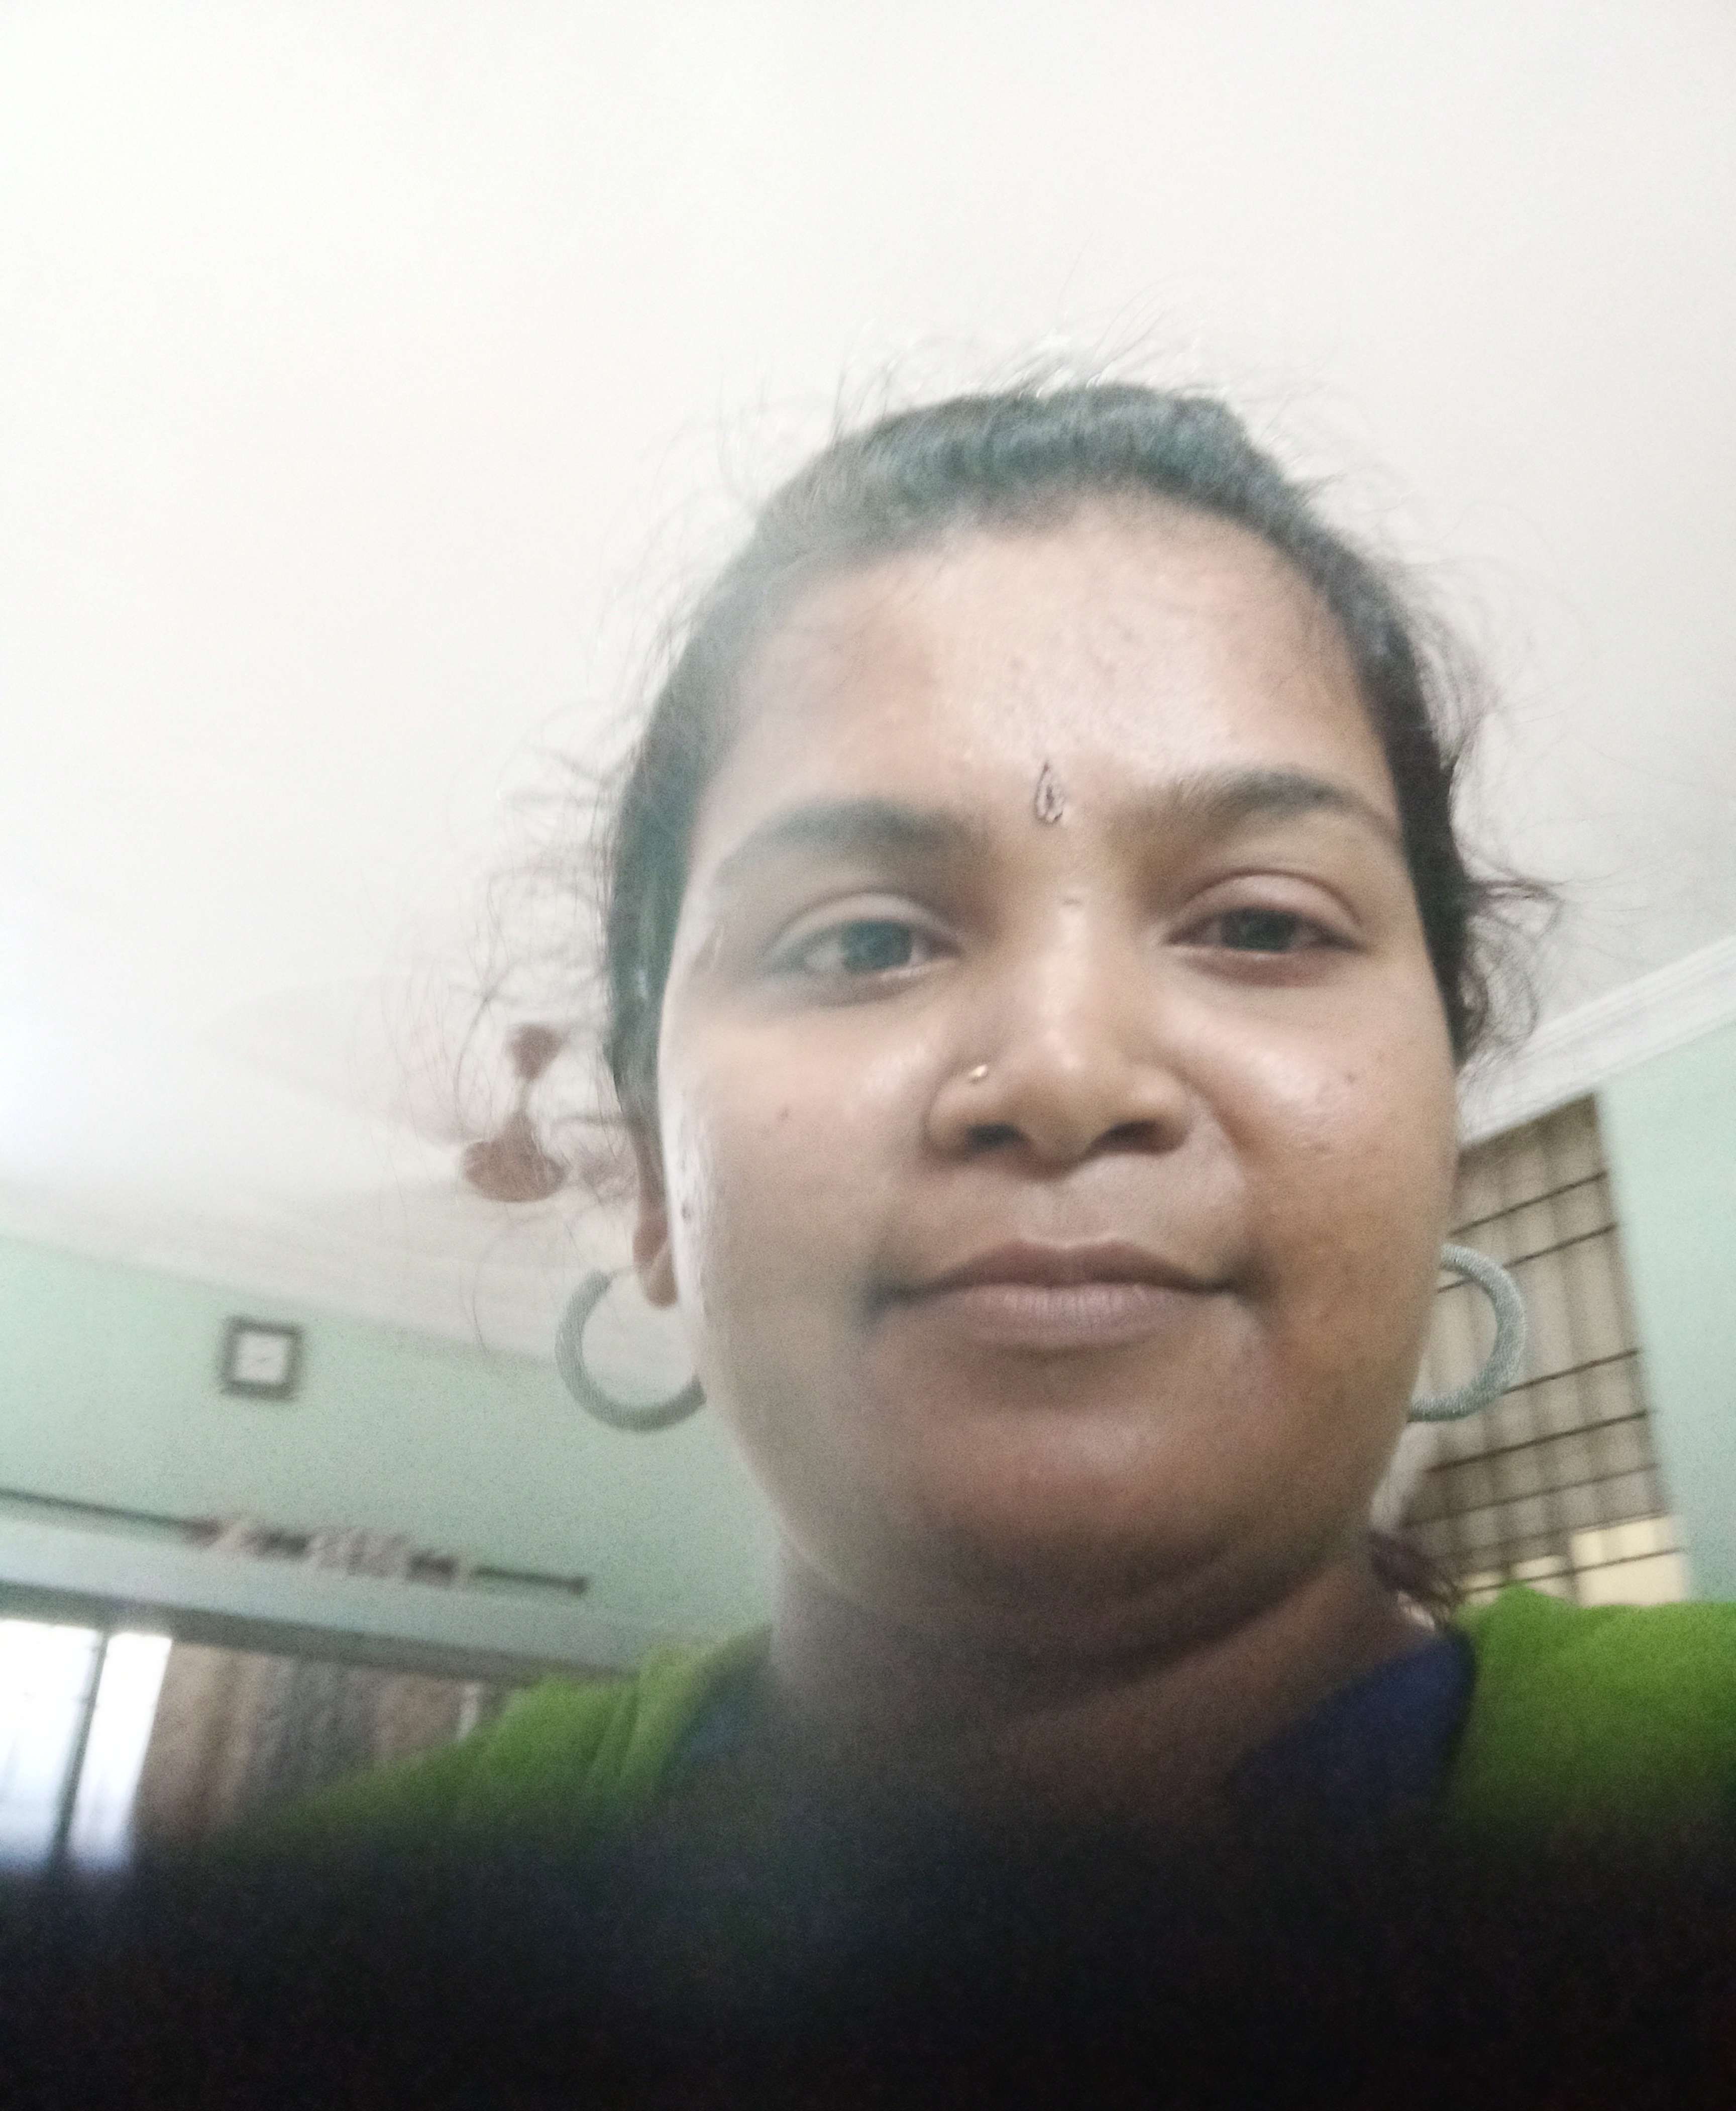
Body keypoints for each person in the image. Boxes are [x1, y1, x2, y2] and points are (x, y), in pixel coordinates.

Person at [298, 379, 1736, 1861]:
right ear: (658, 1176)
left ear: (1440, 1131)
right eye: (864, 942)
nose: (1061, 1076)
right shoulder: (336, 1938)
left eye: (1260, 923)